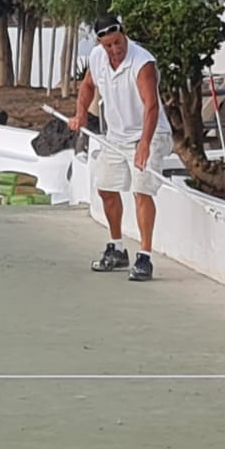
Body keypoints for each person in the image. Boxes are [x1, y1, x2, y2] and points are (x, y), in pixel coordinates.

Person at [68, 14, 173, 281]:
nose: (115, 49)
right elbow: (87, 86)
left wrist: (145, 145)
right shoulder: (96, 57)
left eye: (118, 42)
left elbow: (151, 106)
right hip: (115, 135)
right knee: (105, 188)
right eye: (108, 45)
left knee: (141, 191)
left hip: (149, 133)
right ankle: (117, 248)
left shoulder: (142, 63)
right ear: (100, 43)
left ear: (124, 34)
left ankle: (145, 257)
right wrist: (80, 113)